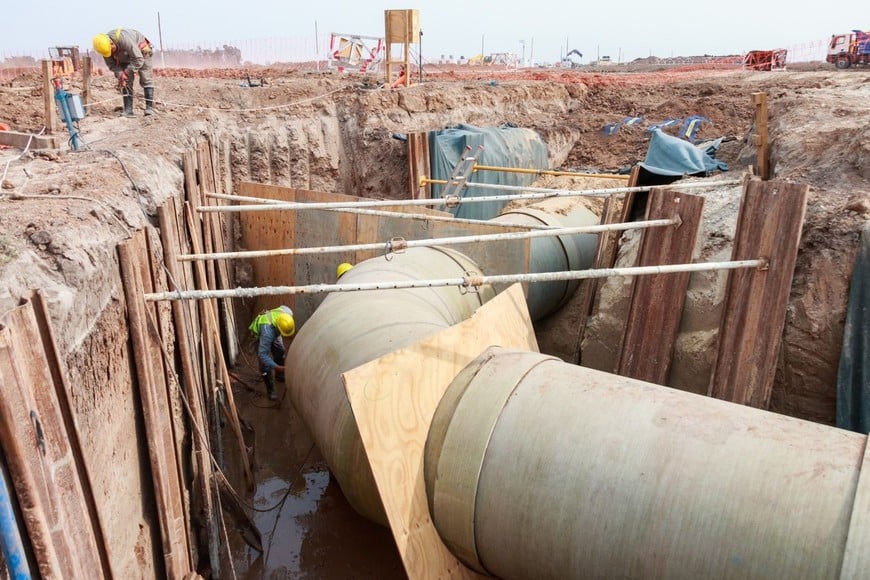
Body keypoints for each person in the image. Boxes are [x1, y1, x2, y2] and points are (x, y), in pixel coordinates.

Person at [92, 28, 155, 117]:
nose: (111, 53)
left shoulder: (124, 39)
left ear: (111, 42)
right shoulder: (104, 48)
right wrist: (120, 74)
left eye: (112, 50)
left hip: (141, 53)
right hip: (124, 56)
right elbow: (112, 65)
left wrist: (126, 72)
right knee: (126, 81)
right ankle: (128, 110)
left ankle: (149, 109)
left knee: (146, 78)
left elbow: (138, 59)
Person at [248, 305, 295, 401]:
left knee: (280, 351)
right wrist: (276, 366)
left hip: (274, 328)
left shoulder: (287, 313)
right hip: (261, 332)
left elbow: (282, 307)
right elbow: (263, 354)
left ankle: (279, 375)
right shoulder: (267, 333)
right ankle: (271, 390)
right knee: (264, 366)